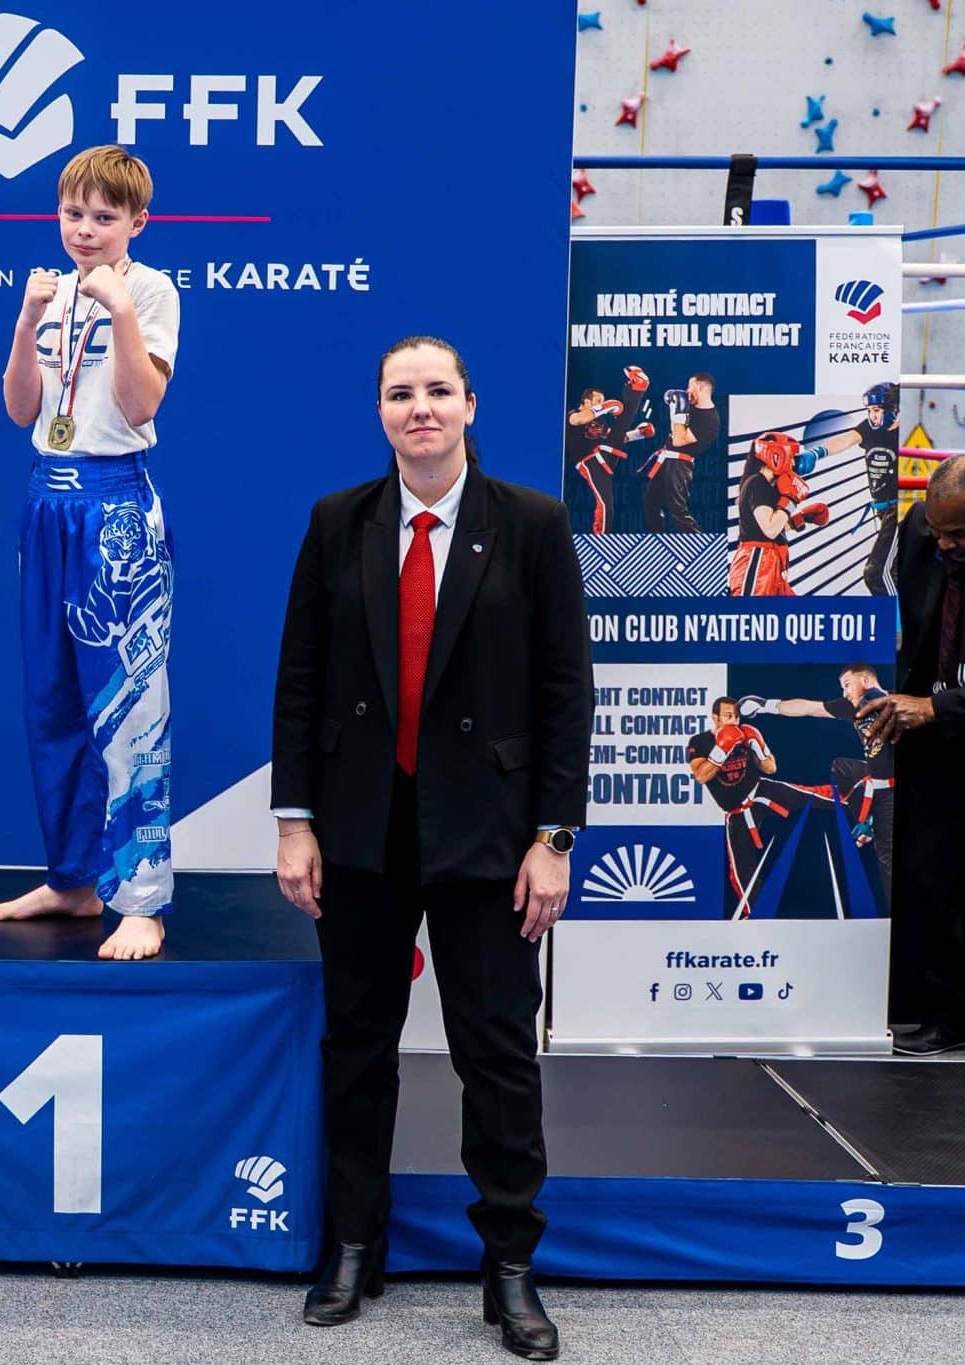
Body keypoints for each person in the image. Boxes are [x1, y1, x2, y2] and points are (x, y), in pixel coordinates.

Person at [272, 336, 589, 1360]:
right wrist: (294, 821)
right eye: (399, 393)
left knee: (495, 1054)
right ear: (379, 411)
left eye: (437, 391)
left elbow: (564, 694)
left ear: (468, 406)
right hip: (359, 832)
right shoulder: (337, 522)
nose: (420, 408)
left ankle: (509, 1266)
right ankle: (352, 1245)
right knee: (356, 1048)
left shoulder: (531, 524)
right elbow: (299, 681)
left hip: (490, 838)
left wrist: (552, 838)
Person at [0, 144, 181, 962]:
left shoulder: (151, 290)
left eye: (105, 217)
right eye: (74, 213)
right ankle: (72, 878)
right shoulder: (53, 290)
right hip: (47, 498)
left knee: (129, 705)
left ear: (137, 222)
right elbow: (20, 410)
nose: (86, 229)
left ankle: (142, 896)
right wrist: (27, 321)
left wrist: (122, 313)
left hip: (115, 504)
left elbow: (140, 406)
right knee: (53, 700)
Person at [857, 456, 965, 1055]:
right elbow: (912, 631)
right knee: (923, 866)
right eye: (938, 530)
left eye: (959, 535)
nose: (945, 543)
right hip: (927, 730)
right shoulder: (921, 533)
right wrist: (896, 700)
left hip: (946, 714)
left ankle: (953, 1018)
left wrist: (937, 707)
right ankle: (927, 1008)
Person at [739, 663, 895, 899]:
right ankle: (867, 818)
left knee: (887, 859)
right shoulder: (851, 706)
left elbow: (889, 703)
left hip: (893, 789)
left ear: (865, 679)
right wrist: (766, 705)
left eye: (847, 685)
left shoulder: (891, 701)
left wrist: (878, 701)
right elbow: (810, 708)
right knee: (840, 767)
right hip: (875, 781)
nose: (845, 693)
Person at [685, 696, 832, 919]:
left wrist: (757, 747)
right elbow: (701, 776)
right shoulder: (700, 742)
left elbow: (771, 768)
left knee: (807, 795)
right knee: (741, 870)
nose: (734, 721)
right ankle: (757, 915)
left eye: (737, 716)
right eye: (728, 716)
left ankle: (853, 798)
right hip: (737, 811)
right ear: (715, 718)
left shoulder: (746, 733)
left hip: (760, 791)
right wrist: (721, 750)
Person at [730, 431, 832, 597]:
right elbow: (770, 529)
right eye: (791, 457)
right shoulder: (757, 483)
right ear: (776, 456)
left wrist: (801, 519)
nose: (793, 463)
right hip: (758, 560)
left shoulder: (769, 486)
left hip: (773, 562)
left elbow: (771, 527)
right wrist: (790, 499)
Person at [643, 371, 717, 533]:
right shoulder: (691, 407)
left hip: (680, 466)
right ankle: (656, 540)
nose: (687, 391)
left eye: (690, 387)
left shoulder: (710, 419)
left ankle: (697, 543)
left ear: (701, 388)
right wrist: (674, 408)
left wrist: (676, 409)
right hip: (667, 459)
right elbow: (675, 430)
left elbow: (678, 440)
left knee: (677, 510)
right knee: (651, 503)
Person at [565, 387, 623, 533]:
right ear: (586, 401)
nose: (601, 404)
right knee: (604, 503)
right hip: (586, 461)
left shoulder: (598, 421)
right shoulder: (573, 414)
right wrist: (605, 407)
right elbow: (578, 420)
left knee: (607, 502)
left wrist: (639, 433)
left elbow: (616, 438)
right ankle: (600, 538)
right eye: (598, 401)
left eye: (603, 402)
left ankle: (602, 536)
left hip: (600, 459)